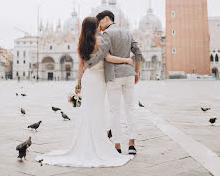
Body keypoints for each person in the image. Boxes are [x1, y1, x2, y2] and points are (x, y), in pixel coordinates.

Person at [36, 17, 134, 167]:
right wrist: (126, 60)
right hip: (99, 80)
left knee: (87, 110)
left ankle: (84, 143)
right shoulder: (101, 41)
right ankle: (97, 143)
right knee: (97, 111)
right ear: (94, 27)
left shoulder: (81, 44)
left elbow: (81, 66)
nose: (99, 27)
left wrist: (78, 84)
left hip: (88, 80)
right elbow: (108, 58)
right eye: (97, 25)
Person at [86, 10, 142, 155]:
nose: (99, 26)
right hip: (129, 74)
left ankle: (117, 145)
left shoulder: (107, 34)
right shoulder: (128, 32)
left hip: (114, 76)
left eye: (100, 22)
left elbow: (102, 54)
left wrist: (88, 64)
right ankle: (132, 145)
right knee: (130, 109)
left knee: (115, 111)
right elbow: (138, 53)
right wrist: (136, 71)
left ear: (106, 19)